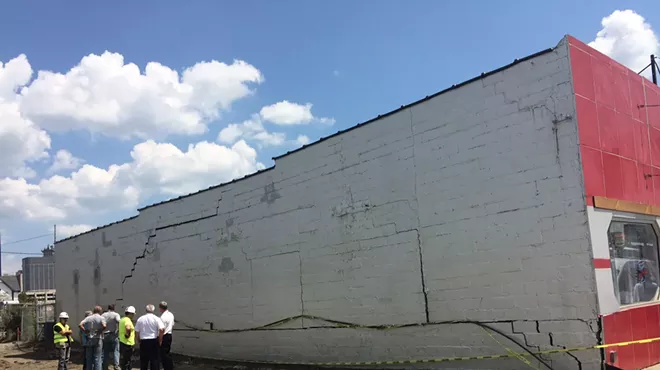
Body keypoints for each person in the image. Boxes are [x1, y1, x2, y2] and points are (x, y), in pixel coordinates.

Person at [135, 304, 164, 370]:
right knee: (154, 360)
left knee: (144, 361)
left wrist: (138, 339)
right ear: (153, 310)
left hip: (144, 341)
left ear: (146, 310)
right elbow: (161, 329)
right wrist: (160, 339)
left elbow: (137, 331)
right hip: (153, 340)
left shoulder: (140, 319)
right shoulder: (156, 318)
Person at [80, 305, 107, 370]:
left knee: (89, 357)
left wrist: (85, 331)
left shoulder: (88, 318)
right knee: (97, 357)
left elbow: (80, 324)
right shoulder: (101, 318)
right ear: (100, 311)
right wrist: (100, 330)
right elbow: (104, 326)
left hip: (89, 338)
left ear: (93, 310)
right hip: (98, 338)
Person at [102, 304, 121, 370]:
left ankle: (104, 366)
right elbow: (119, 321)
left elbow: (101, 322)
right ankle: (116, 366)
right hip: (113, 334)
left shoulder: (103, 315)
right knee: (116, 350)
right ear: (114, 308)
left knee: (105, 351)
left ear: (108, 308)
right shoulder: (116, 314)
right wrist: (119, 330)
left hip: (105, 334)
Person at [118, 306, 136, 370]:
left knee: (124, 360)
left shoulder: (122, 319)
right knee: (128, 360)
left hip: (122, 341)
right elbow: (128, 327)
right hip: (128, 343)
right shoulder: (128, 320)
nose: (133, 315)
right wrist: (127, 335)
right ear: (130, 314)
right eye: (133, 314)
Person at [158, 301, 175, 370]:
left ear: (160, 308)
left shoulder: (162, 317)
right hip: (169, 335)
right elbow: (172, 324)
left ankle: (167, 367)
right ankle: (169, 366)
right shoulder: (171, 314)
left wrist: (160, 340)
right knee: (167, 352)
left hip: (164, 336)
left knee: (163, 354)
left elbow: (162, 330)